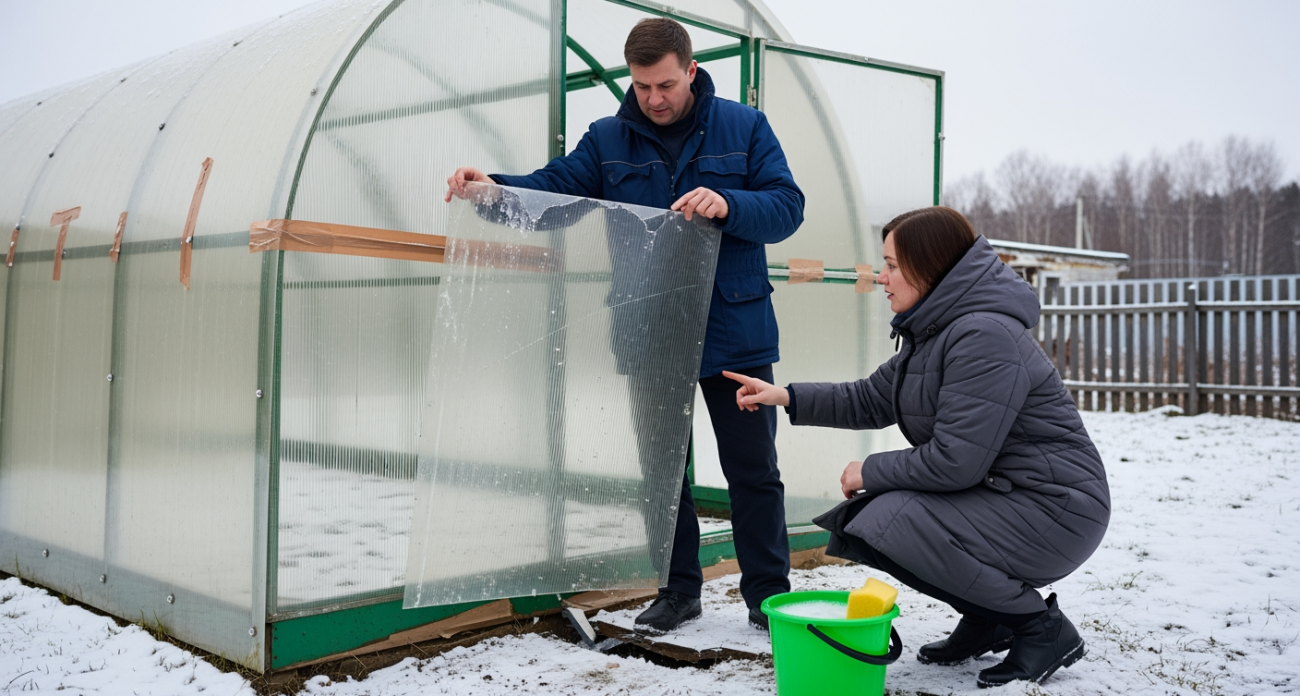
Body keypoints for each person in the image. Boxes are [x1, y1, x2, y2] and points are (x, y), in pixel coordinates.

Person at [445, 17, 804, 634]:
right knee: (662, 475)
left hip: (735, 331)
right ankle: (677, 591)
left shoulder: (745, 129)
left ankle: (766, 596)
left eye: (665, 84)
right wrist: (495, 189)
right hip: (650, 327)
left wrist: (729, 202)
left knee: (753, 471)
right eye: (642, 87)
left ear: (690, 70)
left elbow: (787, 206)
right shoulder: (608, 139)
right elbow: (553, 195)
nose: (655, 99)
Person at [724, 207, 1110, 688]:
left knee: (889, 521)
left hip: (1055, 508)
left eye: (891, 264)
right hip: (1007, 493)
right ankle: (987, 616)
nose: (881, 277)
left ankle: (1040, 627)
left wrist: (869, 470)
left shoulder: (982, 335)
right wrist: (785, 396)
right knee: (876, 521)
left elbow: (955, 460)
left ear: (930, 266)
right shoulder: (934, 330)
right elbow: (869, 398)